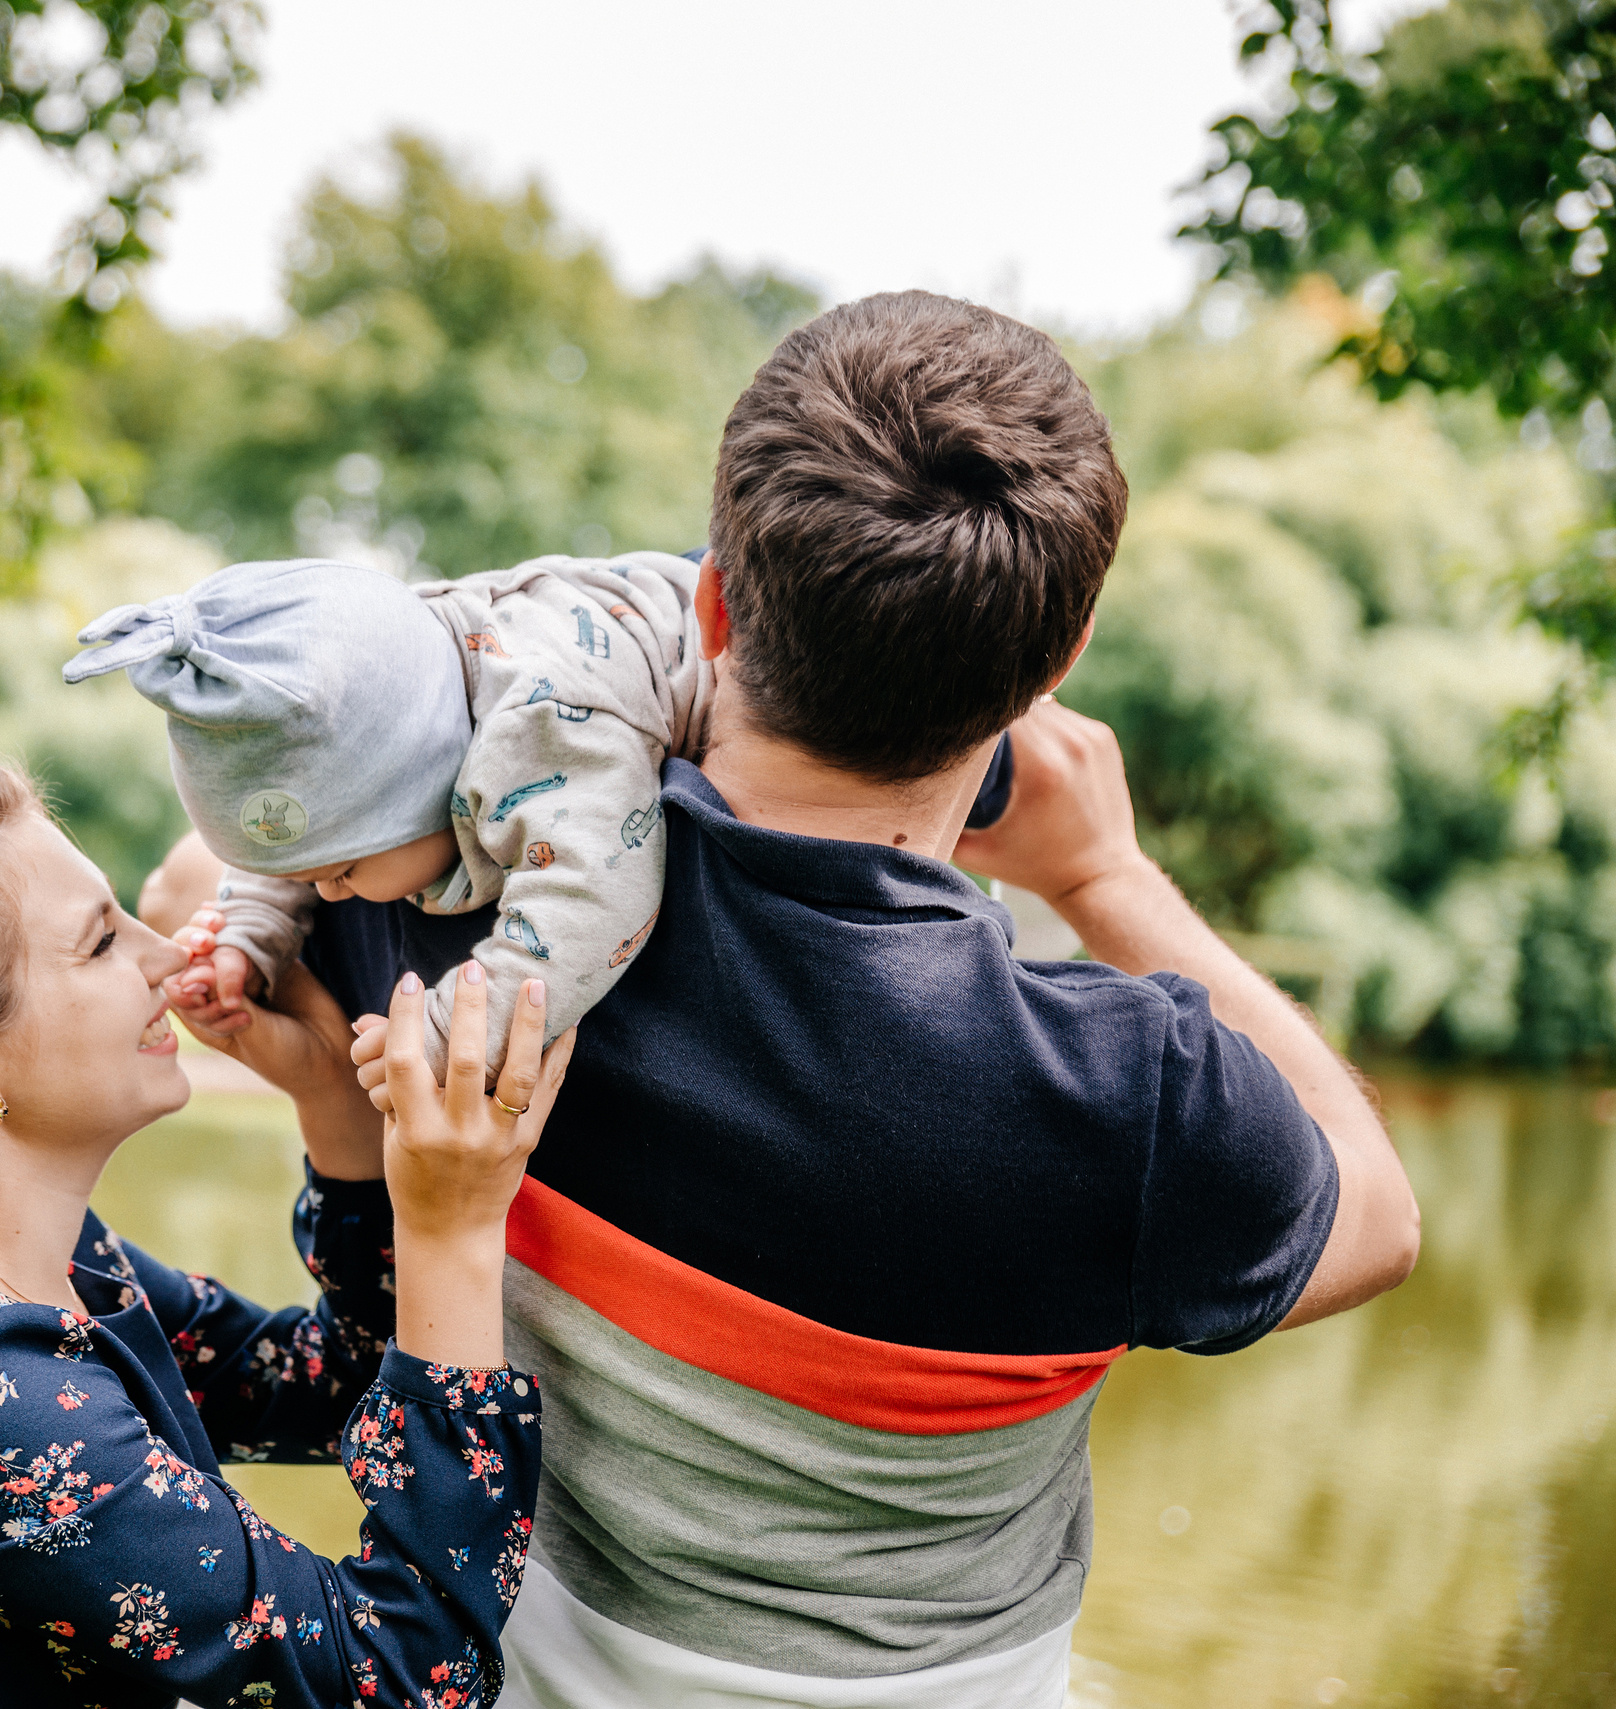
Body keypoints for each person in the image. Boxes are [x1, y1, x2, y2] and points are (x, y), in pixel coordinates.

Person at [142, 291, 1421, 1709]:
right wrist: (1115, 879)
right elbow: (1378, 1217)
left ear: (713, 599)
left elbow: (197, 877)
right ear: (1056, 664)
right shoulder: (1140, 1100)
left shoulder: (438, 918)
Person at [0, 756, 578, 1709]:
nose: (168, 954)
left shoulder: (29, 1265)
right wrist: (450, 1229)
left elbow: (331, 1378)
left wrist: (330, 1094)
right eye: (99, 943)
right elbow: (400, 1677)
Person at [65, 556, 1018, 1082]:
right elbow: (298, 839)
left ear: (432, 780)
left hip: (753, 659)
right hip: (599, 619)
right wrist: (247, 934)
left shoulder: (544, 741)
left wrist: (441, 1035)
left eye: (343, 869)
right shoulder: (378, 703)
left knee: (971, 760)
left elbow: (593, 903)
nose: (327, 891)